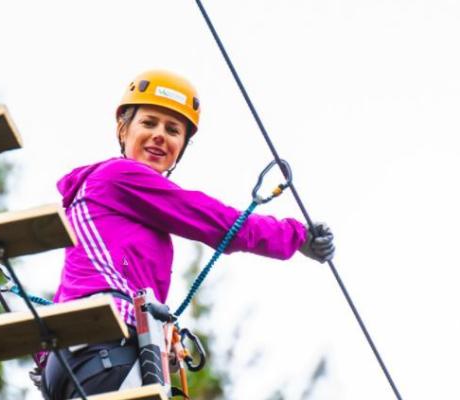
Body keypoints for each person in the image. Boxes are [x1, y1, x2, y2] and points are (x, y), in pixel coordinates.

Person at [36, 70, 335, 399]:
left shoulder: (100, 202)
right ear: (123, 129)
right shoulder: (120, 176)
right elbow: (215, 220)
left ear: (182, 146)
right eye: (149, 123)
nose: (160, 136)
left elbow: (71, 290)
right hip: (105, 351)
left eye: (172, 130)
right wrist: (296, 236)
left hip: (82, 359)